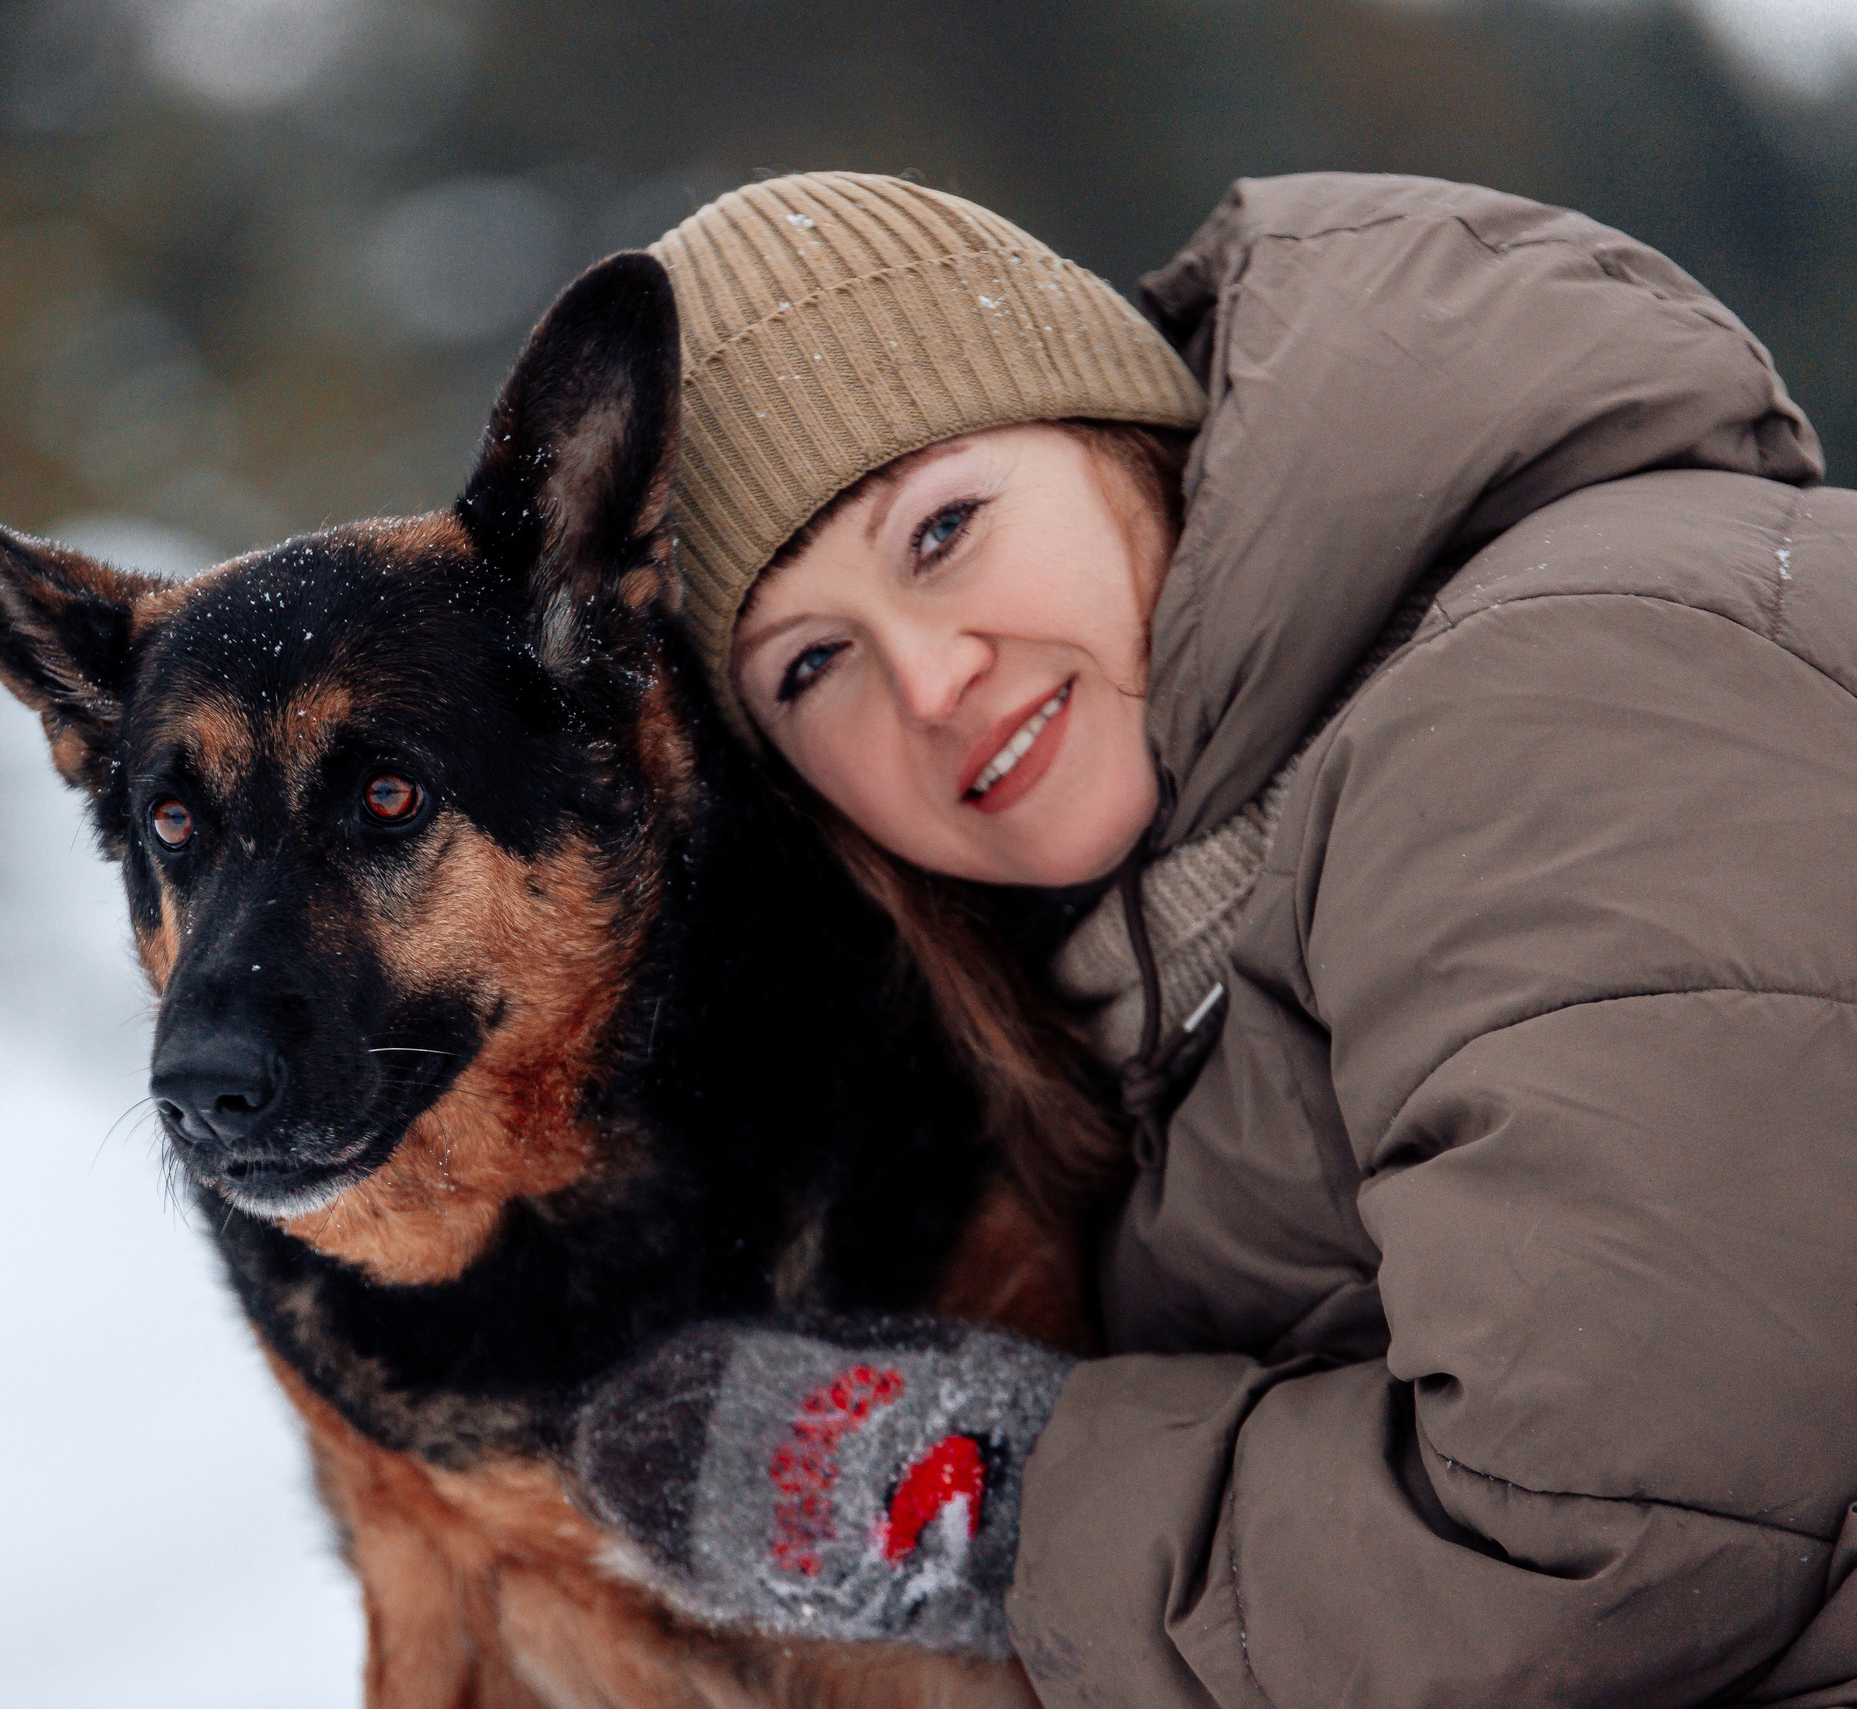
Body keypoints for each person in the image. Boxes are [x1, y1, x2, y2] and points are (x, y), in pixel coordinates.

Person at [567, 170, 1857, 1705]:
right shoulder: (1165, 936)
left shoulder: (1548, 698)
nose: (925, 681)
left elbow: (1606, 1544)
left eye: (943, 531)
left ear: (1120, 430)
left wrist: (1000, 1506)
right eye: (812, 664)